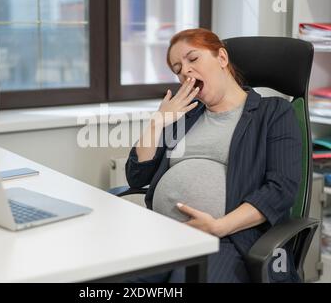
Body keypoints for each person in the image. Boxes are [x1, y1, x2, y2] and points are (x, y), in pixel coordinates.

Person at [125, 28, 302, 283]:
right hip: (164, 233)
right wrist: (157, 124)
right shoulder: (185, 116)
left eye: (192, 59)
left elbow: (281, 189)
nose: (185, 70)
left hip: (229, 239)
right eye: (177, 68)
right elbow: (137, 176)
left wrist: (219, 226)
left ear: (221, 58)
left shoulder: (273, 113)